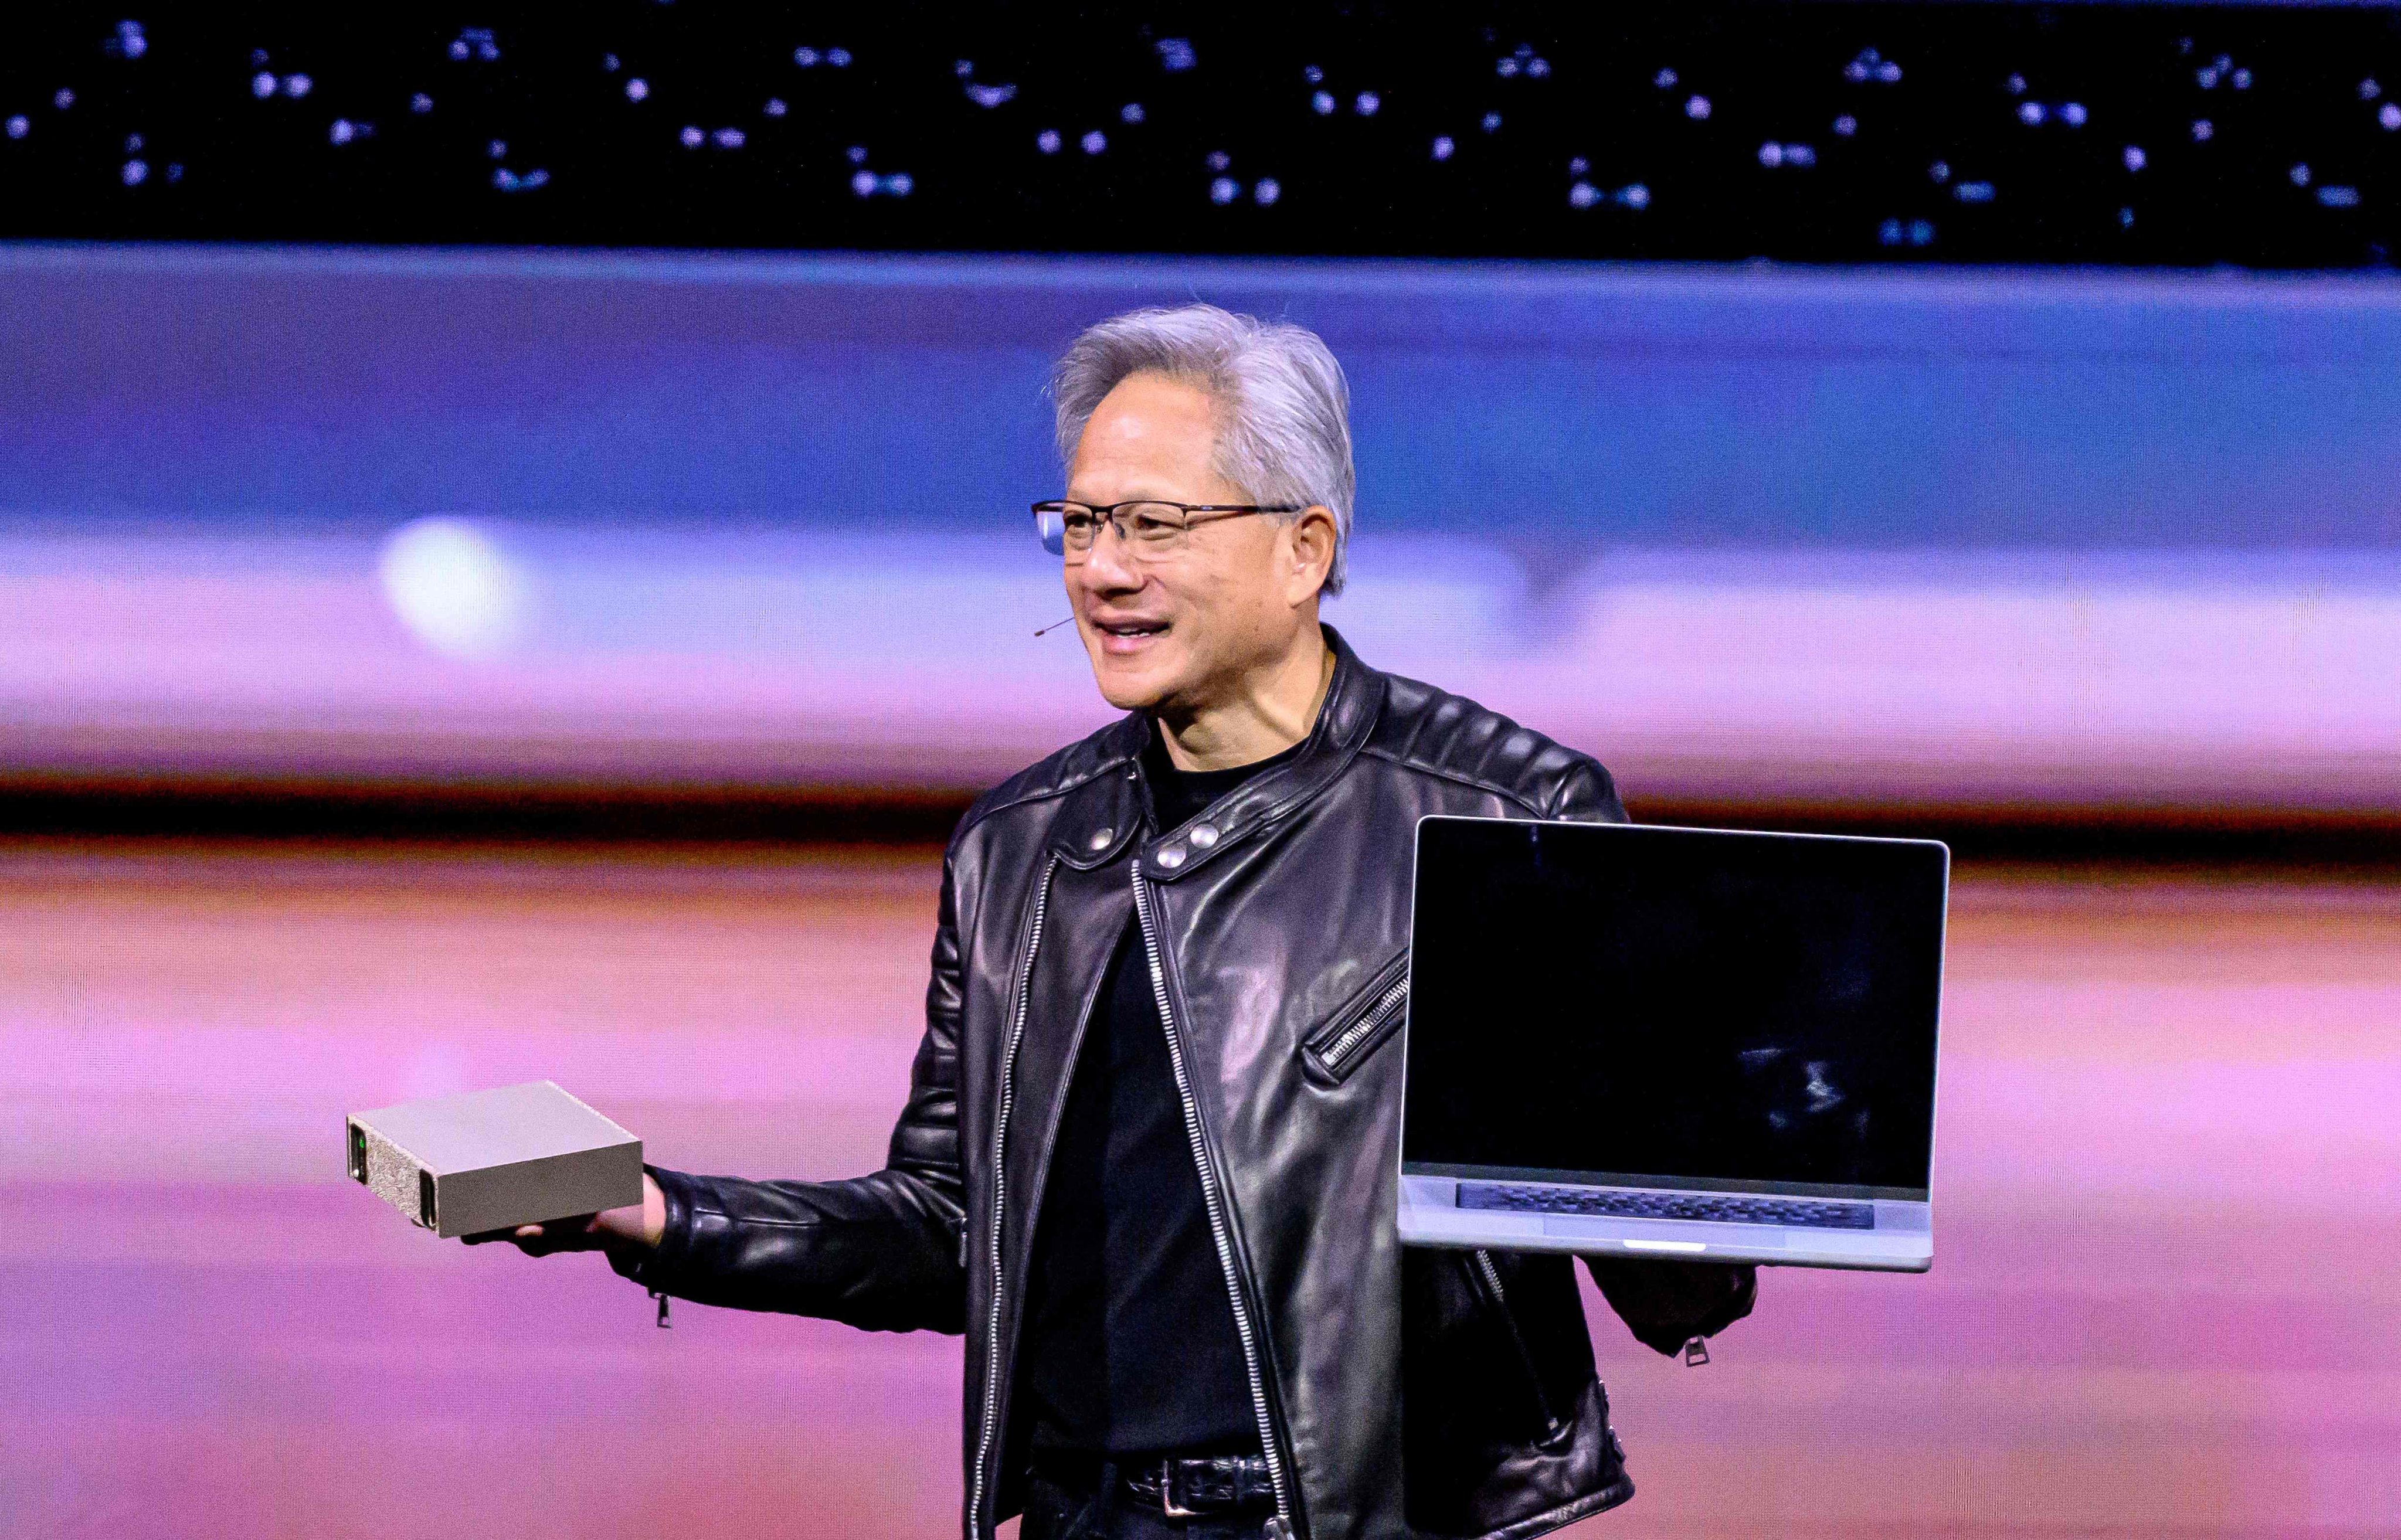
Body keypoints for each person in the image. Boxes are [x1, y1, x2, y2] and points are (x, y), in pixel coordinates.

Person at [474, 304, 1757, 1540]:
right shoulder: (1021, 848)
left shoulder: (1507, 816)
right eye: (1080, 524)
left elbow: (1687, 1280)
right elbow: (951, 1230)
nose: (1100, 570)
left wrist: (1670, 1137)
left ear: (1303, 548)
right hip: (1080, 1515)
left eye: (1151, 523)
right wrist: (657, 1215)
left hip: (1357, 1517)